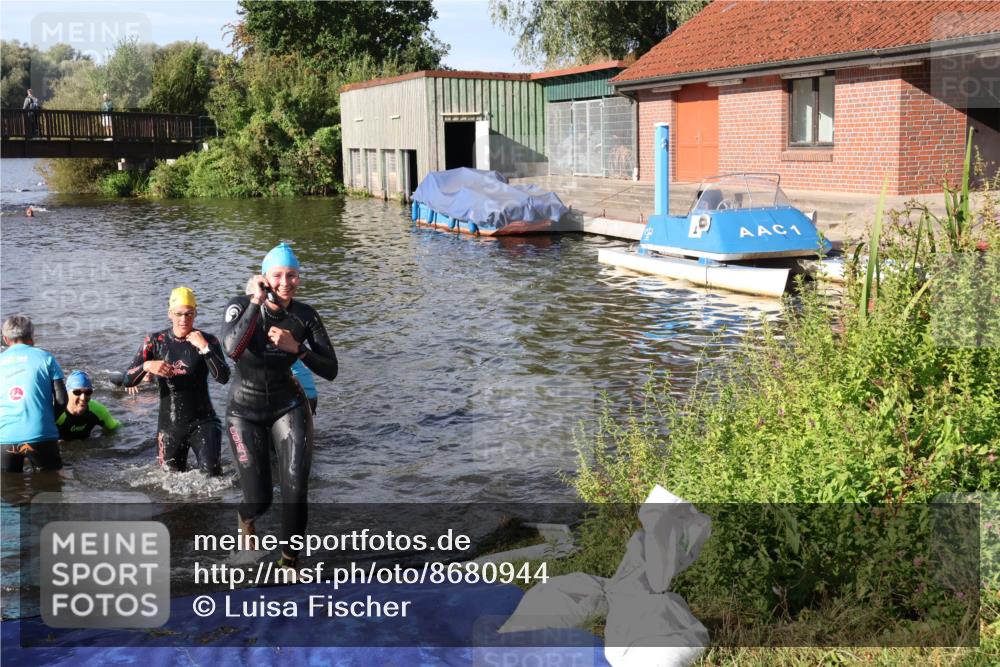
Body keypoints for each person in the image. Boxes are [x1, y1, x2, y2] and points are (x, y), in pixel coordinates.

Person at [222, 243, 338, 569]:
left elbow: (331, 369)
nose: (286, 281)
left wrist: (297, 347)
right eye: (278, 275)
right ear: (265, 277)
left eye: (292, 275)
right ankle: (245, 518)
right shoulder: (239, 306)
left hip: (289, 405)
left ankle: (289, 563)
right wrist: (256, 301)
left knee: (295, 488)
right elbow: (231, 348)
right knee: (260, 498)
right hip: (244, 412)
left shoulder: (304, 315)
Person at [123, 287, 230, 475]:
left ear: (195, 313)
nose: (184, 319)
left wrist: (205, 349)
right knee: (169, 483)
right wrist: (147, 366)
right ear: (170, 314)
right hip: (170, 428)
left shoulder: (208, 340)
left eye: (189, 314)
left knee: (213, 476)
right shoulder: (155, 341)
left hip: (204, 422)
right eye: (179, 314)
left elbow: (223, 378)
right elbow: (127, 380)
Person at [1, 315, 66, 472]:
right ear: (32, 336)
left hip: (4, 437)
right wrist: (49, 421)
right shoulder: (46, 358)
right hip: (41, 434)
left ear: (5, 338)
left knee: (9, 489)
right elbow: (62, 400)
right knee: (50, 487)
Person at [56, 371, 121, 441]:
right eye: (77, 392)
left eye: (88, 392)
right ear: (67, 392)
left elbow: (116, 427)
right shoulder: (56, 412)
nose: (83, 397)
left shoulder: (97, 410)